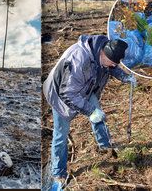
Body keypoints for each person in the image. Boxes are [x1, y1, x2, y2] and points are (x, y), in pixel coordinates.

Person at [43, 35, 137, 189]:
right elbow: (67, 93)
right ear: (103, 54)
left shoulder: (103, 53)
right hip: (60, 93)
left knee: (97, 112)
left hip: (84, 87)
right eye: (111, 63)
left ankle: (105, 146)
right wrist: (90, 111)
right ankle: (58, 173)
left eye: (114, 64)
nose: (112, 66)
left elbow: (111, 68)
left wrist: (125, 77)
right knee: (61, 134)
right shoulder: (79, 60)